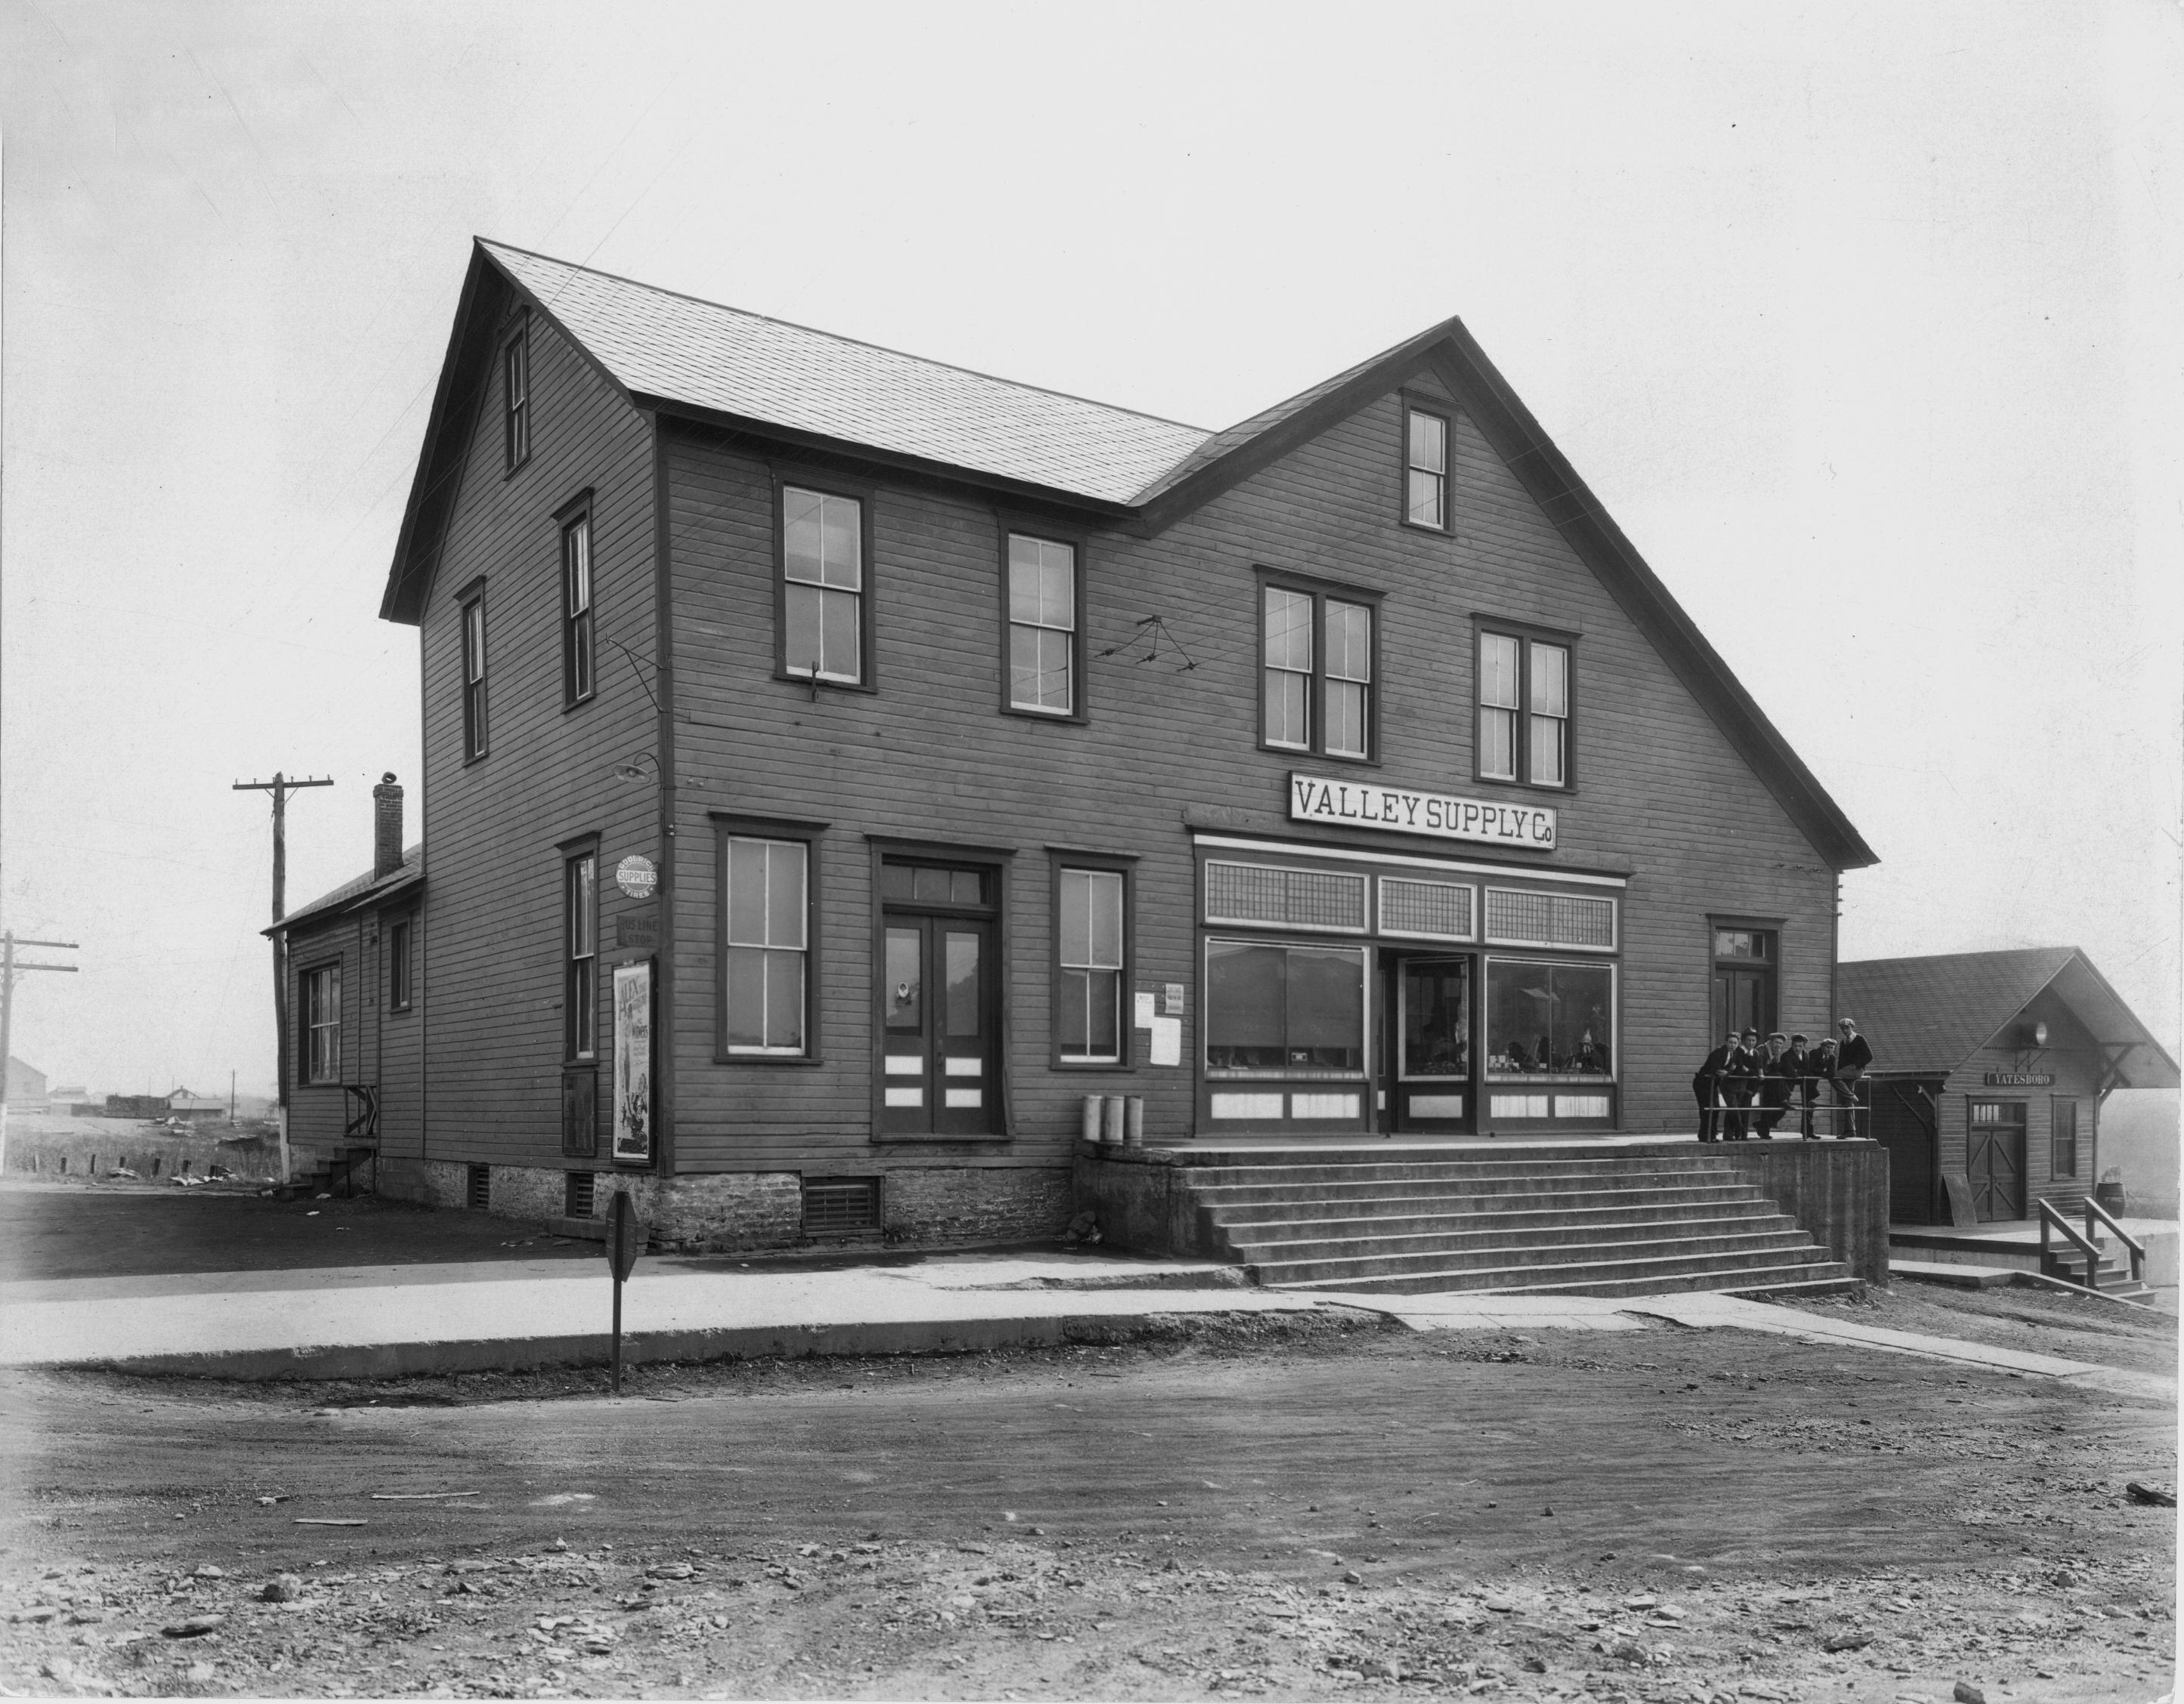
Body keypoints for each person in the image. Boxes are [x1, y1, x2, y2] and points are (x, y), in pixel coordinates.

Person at [1833, 1017, 1873, 1138]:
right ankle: (1850, 1130)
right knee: (1847, 1102)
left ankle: (1851, 1096)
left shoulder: (1860, 1039)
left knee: (1833, 1076)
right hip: (1846, 1072)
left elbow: (1869, 1056)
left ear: (1852, 1027)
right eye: (1843, 1028)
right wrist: (1841, 1070)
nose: (1845, 1030)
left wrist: (1856, 1065)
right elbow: (1841, 1060)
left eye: (1847, 1028)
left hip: (1856, 1070)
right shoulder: (1843, 1042)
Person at [1692, 1032, 1736, 1141]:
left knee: (1715, 1109)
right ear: (1726, 1042)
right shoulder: (1719, 1053)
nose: (1732, 1045)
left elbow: (1732, 1068)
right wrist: (1728, 1071)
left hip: (1712, 1085)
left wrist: (1728, 1072)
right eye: (1730, 1042)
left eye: (1735, 1043)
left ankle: (1711, 1135)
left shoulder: (1732, 1054)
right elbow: (1716, 1069)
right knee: (1707, 1109)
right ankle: (1705, 1136)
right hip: (1702, 1083)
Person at [1720, 1027, 1762, 1140]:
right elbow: (1738, 1068)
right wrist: (1748, 1071)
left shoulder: (1756, 1053)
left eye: (1753, 1040)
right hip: (1733, 1085)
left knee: (1745, 1111)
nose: (1751, 1043)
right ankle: (1729, 1134)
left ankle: (1743, 1135)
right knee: (1733, 1110)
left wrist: (1748, 1071)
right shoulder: (1737, 1051)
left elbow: (1756, 1070)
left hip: (1747, 1087)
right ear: (1743, 1040)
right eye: (1748, 1040)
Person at [1753, 1033, 1793, 1138]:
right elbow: (1758, 1066)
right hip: (1759, 1079)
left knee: (1780, 1111)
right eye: (1776, 1042)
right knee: (1770, 1105)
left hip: (1771, 1083)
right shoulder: (1762, 1050)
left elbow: (1775, 1068)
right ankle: (1784, 1099)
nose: (1778, 1045)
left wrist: (1777, 1059)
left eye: (1780, 1043)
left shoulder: (1776, 1052)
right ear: (1770, 1042)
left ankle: (1762, 1126)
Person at [1781, 1033, 1819, 1139]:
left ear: (1804, 1046)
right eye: (1795, 1046)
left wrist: (1798, 1071)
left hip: (1803, 1081)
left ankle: (1808, 1131)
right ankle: (1764, 1127)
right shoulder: (1786, 1056)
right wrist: (1800, 1072)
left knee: (1808, 1104)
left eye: (1800, 1046)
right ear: (1792, 1045)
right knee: (1781, 1108)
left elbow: (1809, 1070)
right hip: (1787, 1082)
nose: (1797, 1048)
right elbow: (1791, 1073)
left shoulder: (1806, 1055)